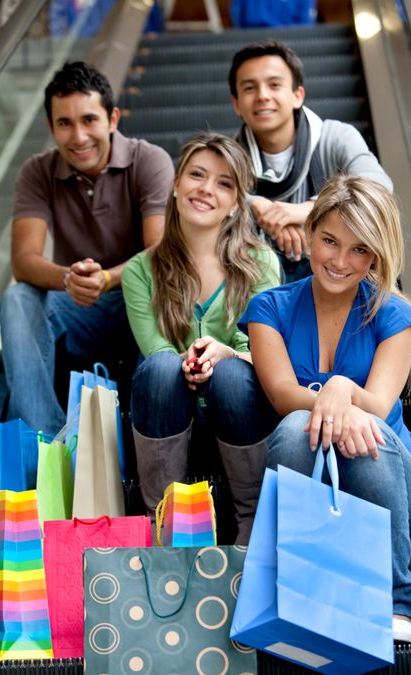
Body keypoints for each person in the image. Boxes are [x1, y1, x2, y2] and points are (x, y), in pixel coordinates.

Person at [239, 175, 411, 644]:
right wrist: (336, 398)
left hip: (396, 482)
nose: (341, 261)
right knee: (292, 428)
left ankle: (394, 604)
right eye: (329, 240)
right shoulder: (269, 307)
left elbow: (377, 405)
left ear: (375, 256)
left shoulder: (394, 315)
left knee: (367, 428)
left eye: (359, 249)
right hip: (315, 463)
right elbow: (284, 394)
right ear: (309, 234)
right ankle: (294, 589)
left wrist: (343, 388)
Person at [0, 61, 174, 436]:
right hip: (77, 308)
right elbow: (23, 259)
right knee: (16, 300)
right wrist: (69, 278)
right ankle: (43, 442)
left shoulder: (150, 160)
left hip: (138, 304)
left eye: (89, 120)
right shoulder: (37, 171)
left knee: (163, 291)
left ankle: (148, 431)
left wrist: (107, 278)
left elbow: (161, 251)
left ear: (112, 118)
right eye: (65, 123)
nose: (78, 137)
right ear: (51, 128)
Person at [122, 132, 280, 544]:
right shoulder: (141, 270)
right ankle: (165, 526)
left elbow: (264, 352)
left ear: (235, 204)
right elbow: (155, 349)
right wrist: (188, 363)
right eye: (197, 175)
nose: (206, 189)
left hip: (239, 408)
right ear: (175, 185)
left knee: (231, 373)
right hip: (171, 410)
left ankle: (254, 525)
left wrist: (226, 352)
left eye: (224, 183)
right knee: (159, 366)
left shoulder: (260, 263)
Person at [228, 40, 393, 282]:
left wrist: (306, 211)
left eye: (274, 85)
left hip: (341, 276)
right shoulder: (229, 157)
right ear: (236, 104)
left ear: (297, 95)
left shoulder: (336, 137)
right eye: (250, 88)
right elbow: (208, 199)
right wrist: (256, 205)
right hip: (256, 282)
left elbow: (379, 186)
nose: (263, 96)